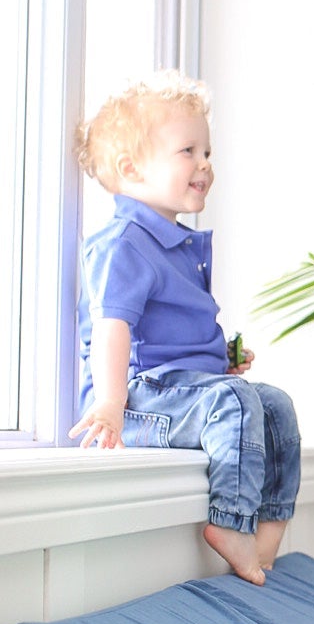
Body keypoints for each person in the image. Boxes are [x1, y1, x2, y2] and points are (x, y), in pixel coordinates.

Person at [71, 72, 300, 586]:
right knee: (235, 401)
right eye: (188, 151)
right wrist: (109, 404)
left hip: (179, 391)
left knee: (275, 404)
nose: (205, 164)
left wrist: (221, 362)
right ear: (131, 168)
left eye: (207, 152)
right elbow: (112, 327)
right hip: (139, 398)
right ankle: (230, 524)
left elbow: (181, 333)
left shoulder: (175, 244)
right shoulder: (124, 241)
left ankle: (268, 531)